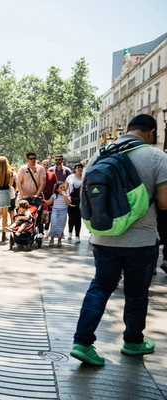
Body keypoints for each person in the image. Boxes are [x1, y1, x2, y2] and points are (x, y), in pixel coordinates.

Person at [71, 114, 167, 366]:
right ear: (151, 132)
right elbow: (166, 202)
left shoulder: (98, 155)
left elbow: (87, 194)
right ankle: (133, 342)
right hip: (141, 240)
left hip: (103, 237)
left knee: (100, 287)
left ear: (127, 130)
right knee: (136, 294)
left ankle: (82, 342)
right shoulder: (157, 157)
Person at [46, 181, 71, 246]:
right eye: (61, 187)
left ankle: (59, 240)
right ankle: (52, 239)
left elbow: (68, 202)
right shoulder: (54, 195)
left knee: (61, 226)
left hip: (63, 212)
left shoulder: (67, 195)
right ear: (57, 189)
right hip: (55, 211)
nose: (63, 189)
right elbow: (49, 202)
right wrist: (44, 200)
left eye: (64, 187)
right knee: (54, 224)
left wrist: (64, 195)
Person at [66, 163, 83, 243]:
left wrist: (82, 201)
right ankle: (69, 232)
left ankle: (77, 235)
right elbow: (65, 187)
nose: (79, 169)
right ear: (75, 169)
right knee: (71, 217)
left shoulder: (84, 177)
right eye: (78, 167)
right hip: (70, 200)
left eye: (81, 167)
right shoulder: (70, 177)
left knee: (78, 219)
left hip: (80, 200)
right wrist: (66, 197)